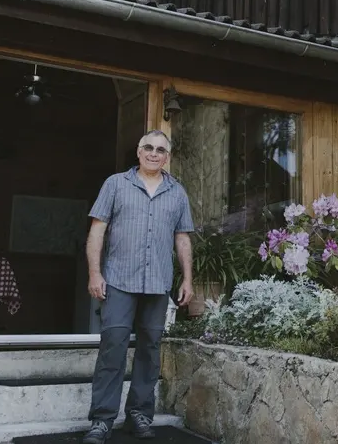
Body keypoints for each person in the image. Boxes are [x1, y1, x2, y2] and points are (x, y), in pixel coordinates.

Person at [83, 130, 194, 443]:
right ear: (138, 151)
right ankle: (102, 421)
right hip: (118, 280)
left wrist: (187, 278)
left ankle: (139, 416)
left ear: (167, 156)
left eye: (161, 149)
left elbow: (182, 238)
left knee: (149, 351)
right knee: (112, 349)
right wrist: (95, 273)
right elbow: (97, 232)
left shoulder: (177, 192)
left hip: (158, 284)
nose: (154, 153)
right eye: (149, 147)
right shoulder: (116, 184)